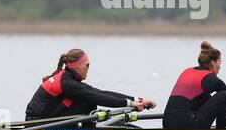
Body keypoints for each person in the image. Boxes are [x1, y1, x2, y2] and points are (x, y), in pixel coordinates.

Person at [25, 48, 156, 121]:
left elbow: (100, 92)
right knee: (88, 101)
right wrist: (130, 104)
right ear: (76, 66)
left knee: (89, 98)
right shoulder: (67, 83)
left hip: (44, 116)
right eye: (87, 65)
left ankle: (89, 128)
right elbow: (97, 97)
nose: (88, 68)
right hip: (37, 123)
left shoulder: (69, 79)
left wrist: (138, 100)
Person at [163, 41, 226, 130]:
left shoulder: (186, 71)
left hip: (167, 123)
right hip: (187, 124)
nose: (220, 66)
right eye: (219, 63)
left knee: (208, 97)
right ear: (213, 63)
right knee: (224, 96)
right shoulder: (210, 78)